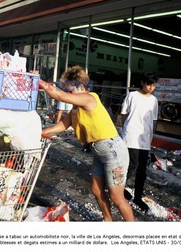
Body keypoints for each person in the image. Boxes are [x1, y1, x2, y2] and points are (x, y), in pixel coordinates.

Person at [40, 66, 134, 222]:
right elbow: (63, 125)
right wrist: (43, 131)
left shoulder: (90, 98)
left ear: (80, 85)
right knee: (96, 190)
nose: (68, 92)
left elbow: (60, 96)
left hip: (112, 150)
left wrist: (41, 83)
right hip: (99, 151)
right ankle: (108, 221)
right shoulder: (76, 108)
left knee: (116, 197)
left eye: (70, 88)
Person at [120, 74, 159, 212]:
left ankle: (137, 197)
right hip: (131, 135)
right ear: (142, 83)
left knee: (142, 169)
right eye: (149, 84)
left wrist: (151, 136)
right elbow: (123, 114)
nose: (151, 88)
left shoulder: (154, 100)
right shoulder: (132, 95)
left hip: (145, 138)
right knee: (132, 165)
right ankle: (119, 188)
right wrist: (125, 130)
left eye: (153, 85)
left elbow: (153, 120)